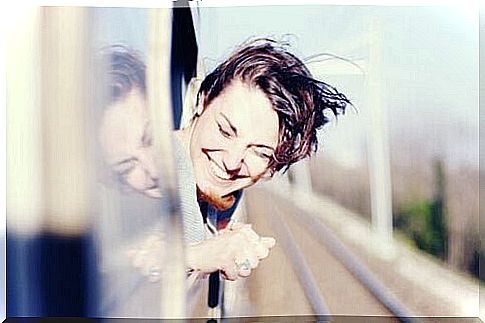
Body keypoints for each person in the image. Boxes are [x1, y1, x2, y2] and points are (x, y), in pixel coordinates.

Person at [98, 38, 350, 283]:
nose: (232, 161)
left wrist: (222, 237)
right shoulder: (164, 174)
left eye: (260, 152)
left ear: (272, 168)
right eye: (225, 130)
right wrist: (198, 254)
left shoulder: (220, 191)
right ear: (202, 99)